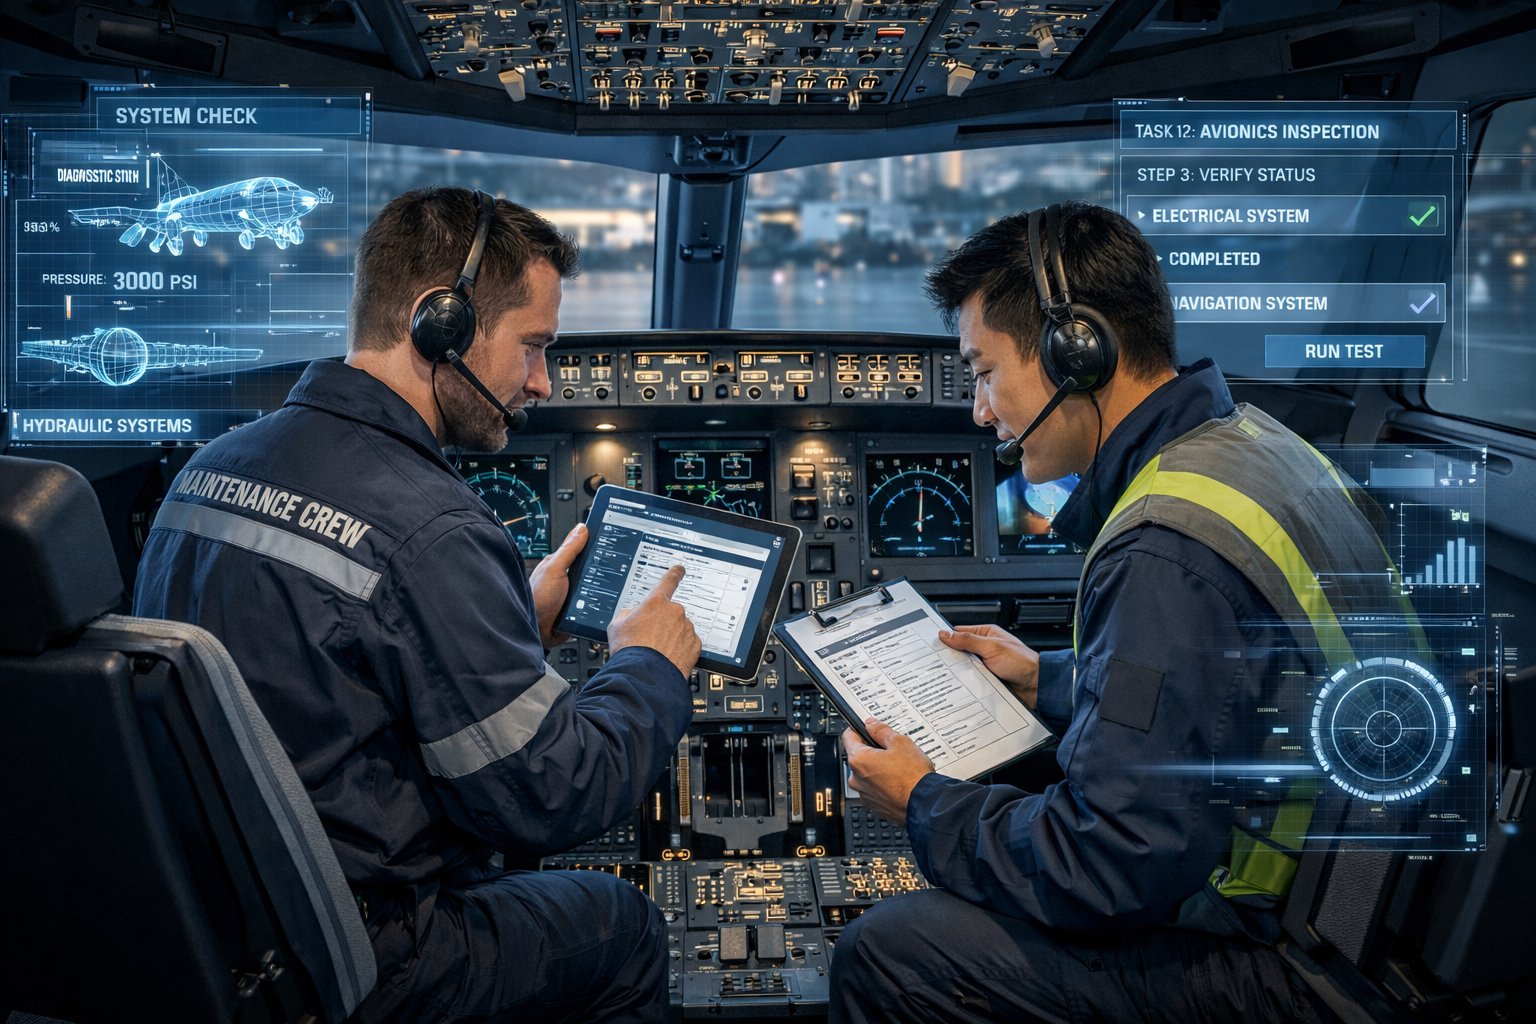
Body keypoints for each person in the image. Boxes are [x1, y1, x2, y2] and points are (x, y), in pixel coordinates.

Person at [134, 186, 701, 1023]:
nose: (544, 382)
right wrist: (649, 665)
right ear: (441, 325)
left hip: (215, 925)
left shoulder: (210, 468)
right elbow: (554, 795)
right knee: (623, 925)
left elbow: (339, 666)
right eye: (535, 346)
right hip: (360, 955)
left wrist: (511, 624)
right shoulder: (429, 527)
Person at [829, 201, 1407, 1022]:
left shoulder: (1165, 550)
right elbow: (1238, 687)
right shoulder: (1256, 447)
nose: (980, 412)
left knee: (894, 952)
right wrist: (1050, 683)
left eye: (986, 373)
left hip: (1286, 956)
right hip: (1360, 902)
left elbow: (1102, 869)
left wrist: (922, 802)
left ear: (1078, 350)